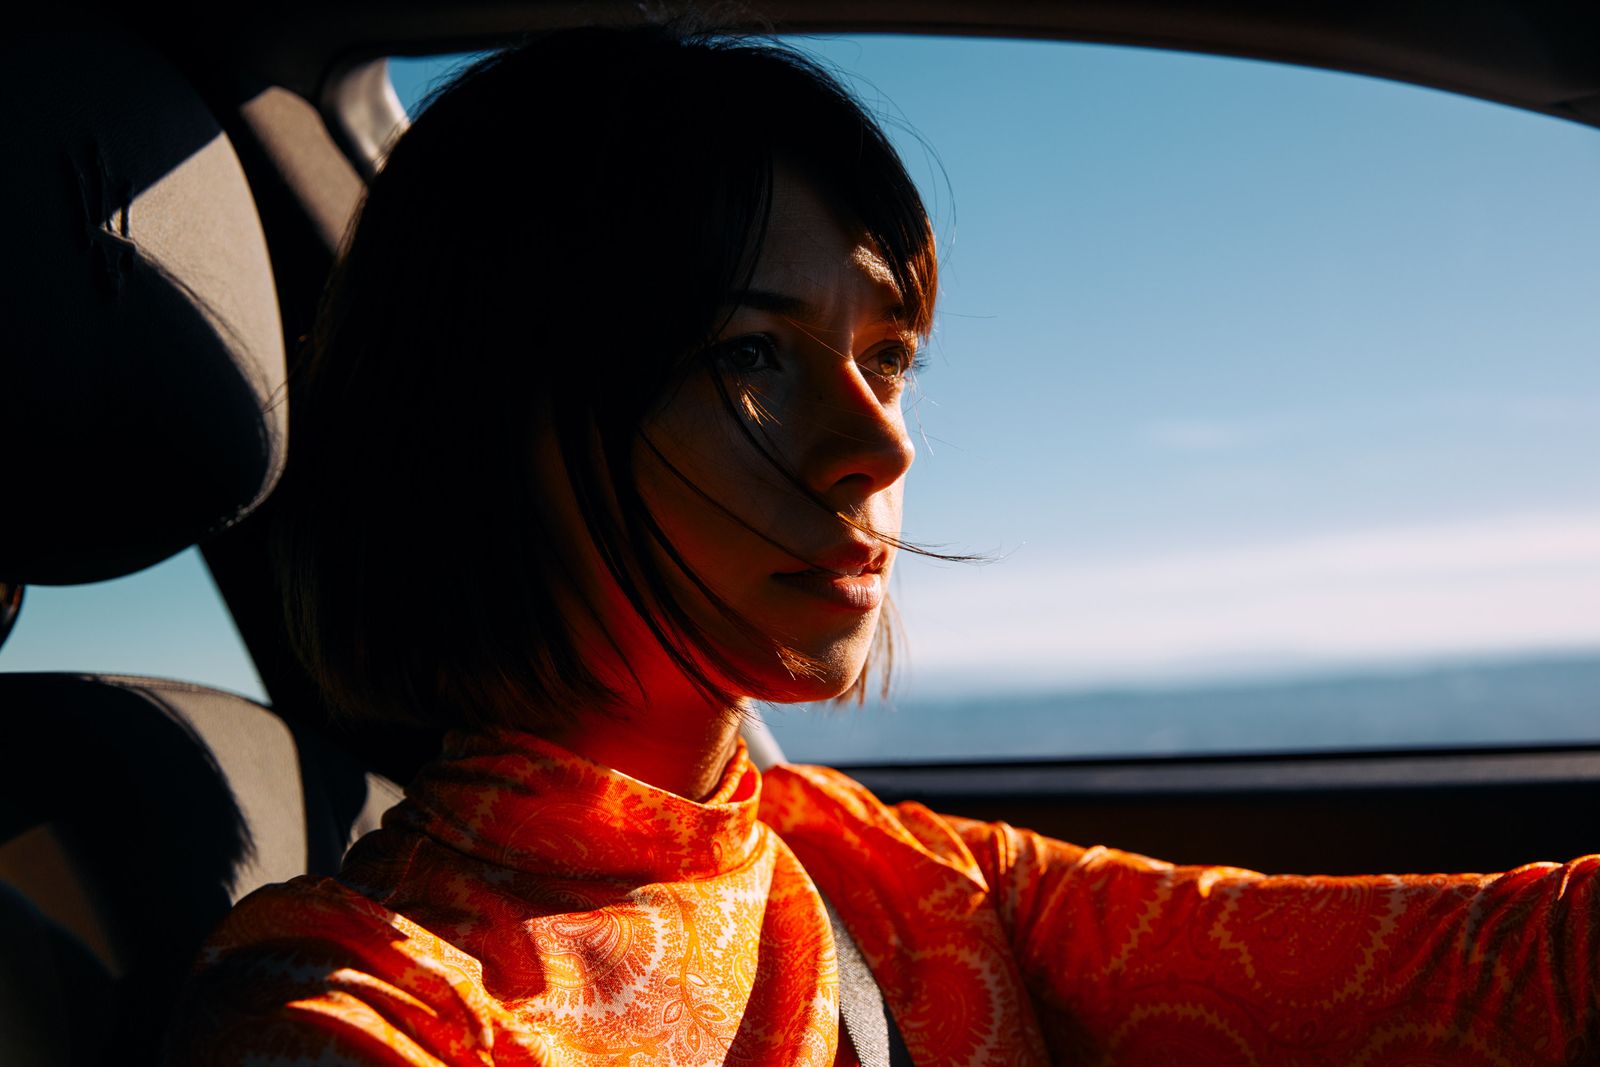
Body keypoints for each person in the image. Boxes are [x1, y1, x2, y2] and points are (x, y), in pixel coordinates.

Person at [171, 25, 1600, 1067]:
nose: (884, 447)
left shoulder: (878, 872)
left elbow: (1498, 971)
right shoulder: (375, 1008)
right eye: (751, 356)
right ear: (494, 414)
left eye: (887, 357)